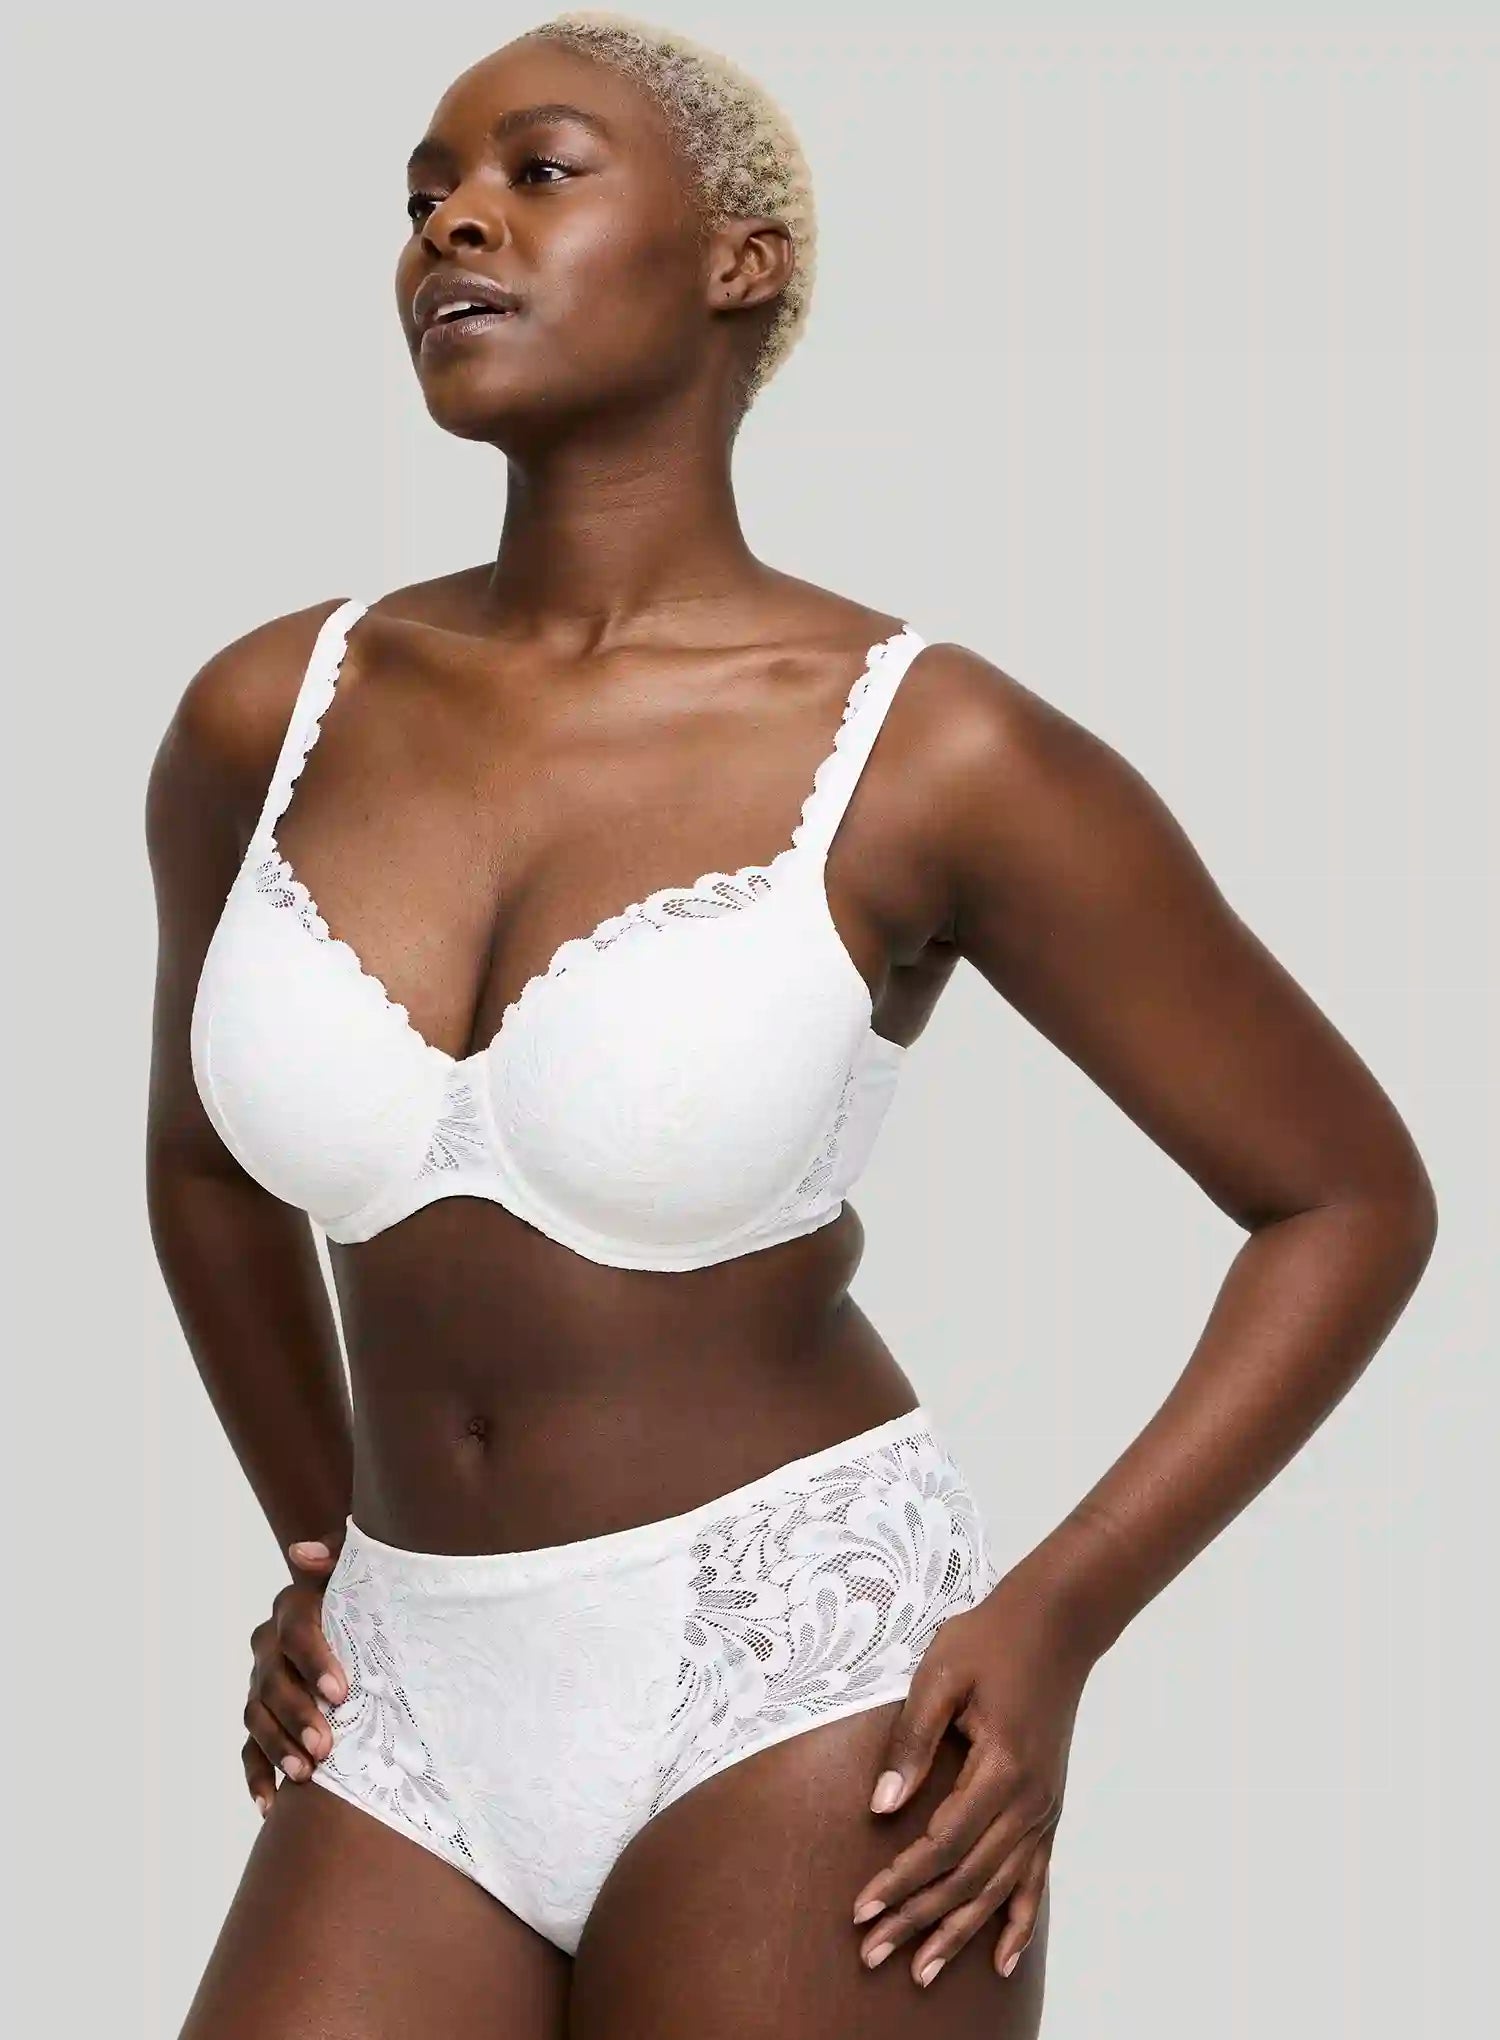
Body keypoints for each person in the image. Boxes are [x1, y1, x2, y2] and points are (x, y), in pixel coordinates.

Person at [145, 12, 1438, 2037]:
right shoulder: (270, 714)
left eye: (536, 172)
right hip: (406, 1686)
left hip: (805, 1675)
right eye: (423, 195)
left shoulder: (932, 750)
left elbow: (1345, 1199)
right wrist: (321, 1544)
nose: (452, 224)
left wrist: (1059, 1620)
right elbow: (202, 1168)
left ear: (739, 262)